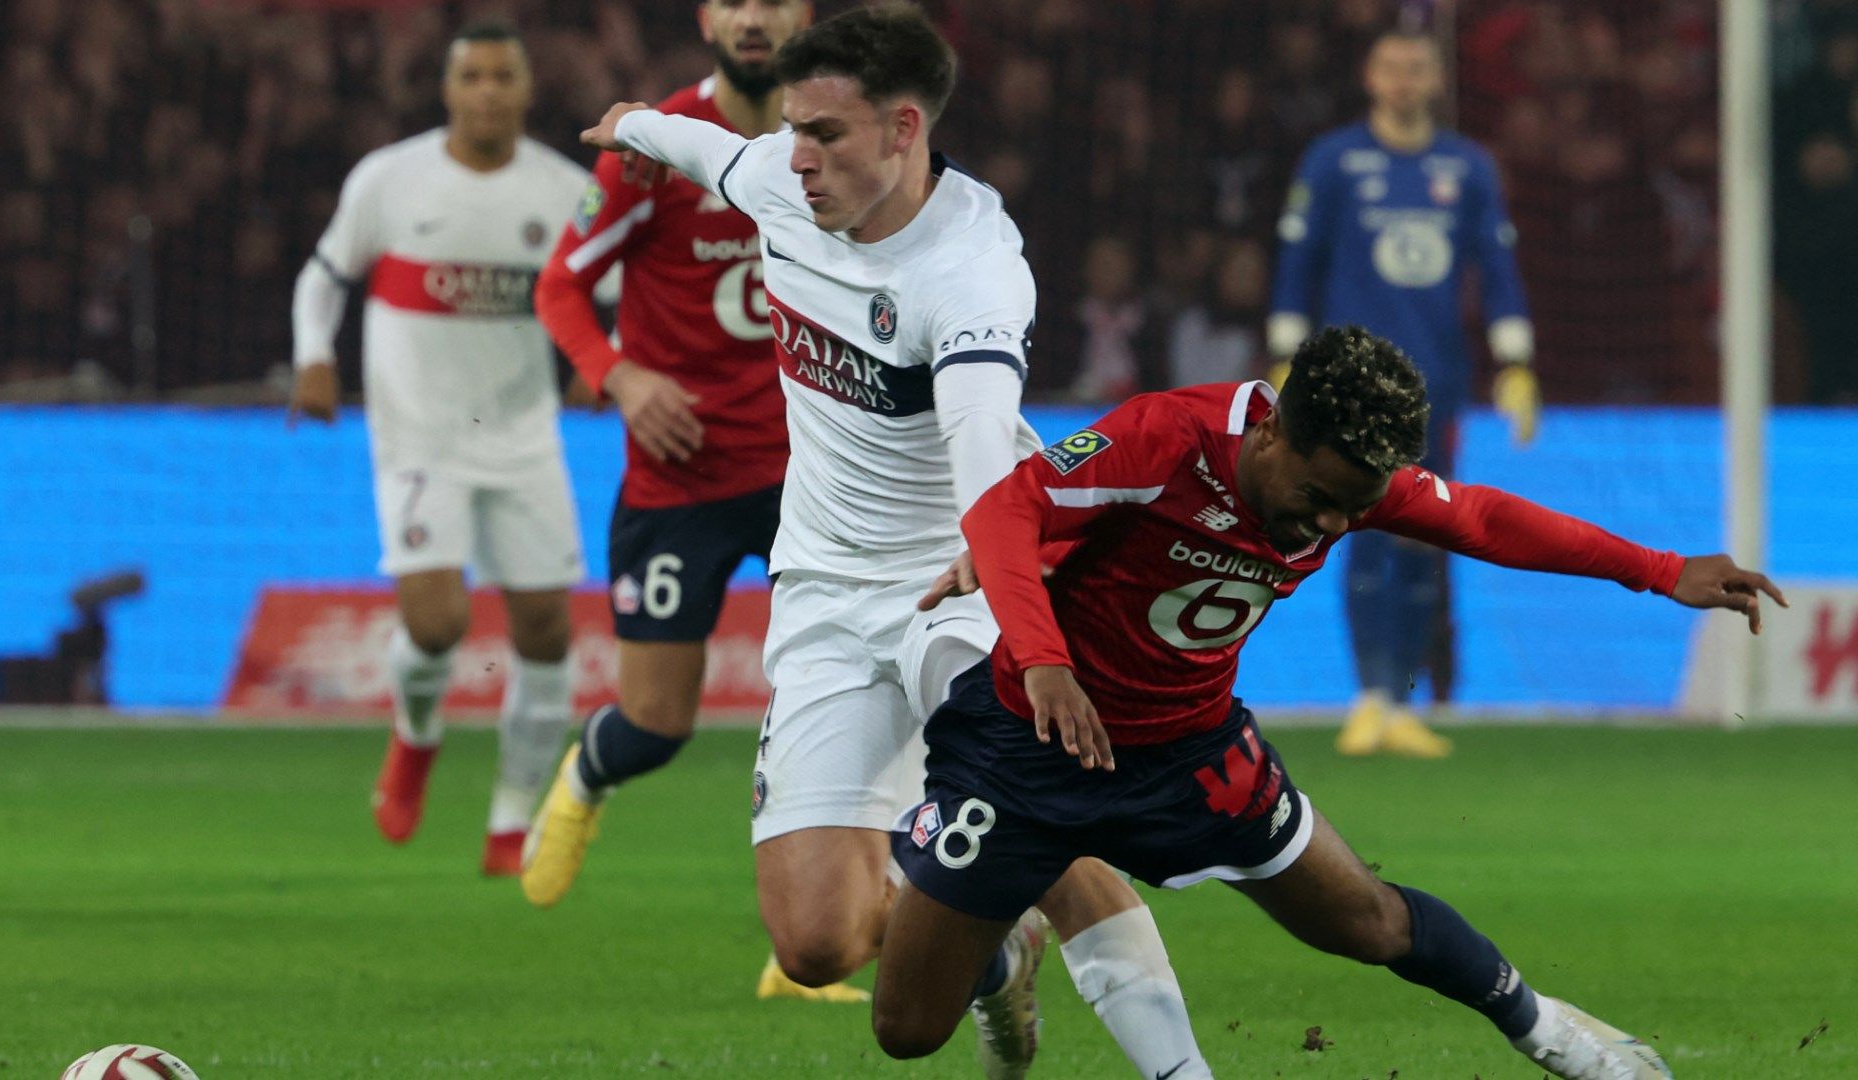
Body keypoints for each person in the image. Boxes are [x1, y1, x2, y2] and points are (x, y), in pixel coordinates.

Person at [530, 6, 1213, 1077]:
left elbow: (981, 434)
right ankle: (998, 958)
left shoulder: (974, 271)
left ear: (904, 129)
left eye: (824, 135)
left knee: (1047, 843)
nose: (796, 158)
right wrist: (633, 125)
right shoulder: (781, 178)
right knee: (813, 945)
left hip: (960, 578)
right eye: (792, 130)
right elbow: (705, 147)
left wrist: (1006, 575)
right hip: (823, 593)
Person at [873, 326, 1783, 1080]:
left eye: (1356, 506)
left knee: (1367, 921)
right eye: (1320, 499)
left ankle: (1555, 1035)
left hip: (1192, 751)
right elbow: (1003, 512)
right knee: (907, 1030)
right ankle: (1001, 958)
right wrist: (1043, 660)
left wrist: (1661, 570)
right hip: (1031, 746)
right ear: (1271, 434)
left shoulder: (1346, 474)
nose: (1336, 525)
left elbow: (1480, 517)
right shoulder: (1168, 438)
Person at [525, 0, 866, 1005]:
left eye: (775, 0)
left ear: (805, 15)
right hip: (677, 483)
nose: (754, 18)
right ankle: (586, 774)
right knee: (657, 724)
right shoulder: (655, 147)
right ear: (709, 16)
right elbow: (559, 287)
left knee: (845, 716)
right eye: (734, 0)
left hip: (812, 478)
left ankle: (809, 950)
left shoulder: (836, 138)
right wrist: (619, 376)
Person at [288, 22, 593, 876]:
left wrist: (595, 356)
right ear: (450, 90)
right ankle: (416, 735)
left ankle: (511, 818)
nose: (488, 91)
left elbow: (618, 286)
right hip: (421, 435)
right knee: (436, 621)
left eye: (503, 76)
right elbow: (323, 277)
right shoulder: (389, 180)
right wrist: (314, 359)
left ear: (525, 90)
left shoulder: (567, 192)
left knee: (546, 634)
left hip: (522, 436)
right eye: (474, 76)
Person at [1268, 28, 1540, 758]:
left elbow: (1498, 268)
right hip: (1351, 384)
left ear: (1436, 79)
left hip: (1436, 382)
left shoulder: (1467, 166)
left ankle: (1400, 703)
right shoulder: (1333, 160)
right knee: (1356, 522)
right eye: (1391, 66)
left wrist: (1515, 361)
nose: (1403, 79)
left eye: (1416, 68)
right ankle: (1368, 696)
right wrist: (1285, 355)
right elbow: (1297, 261)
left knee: (1426, 529)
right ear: (1369, 75)